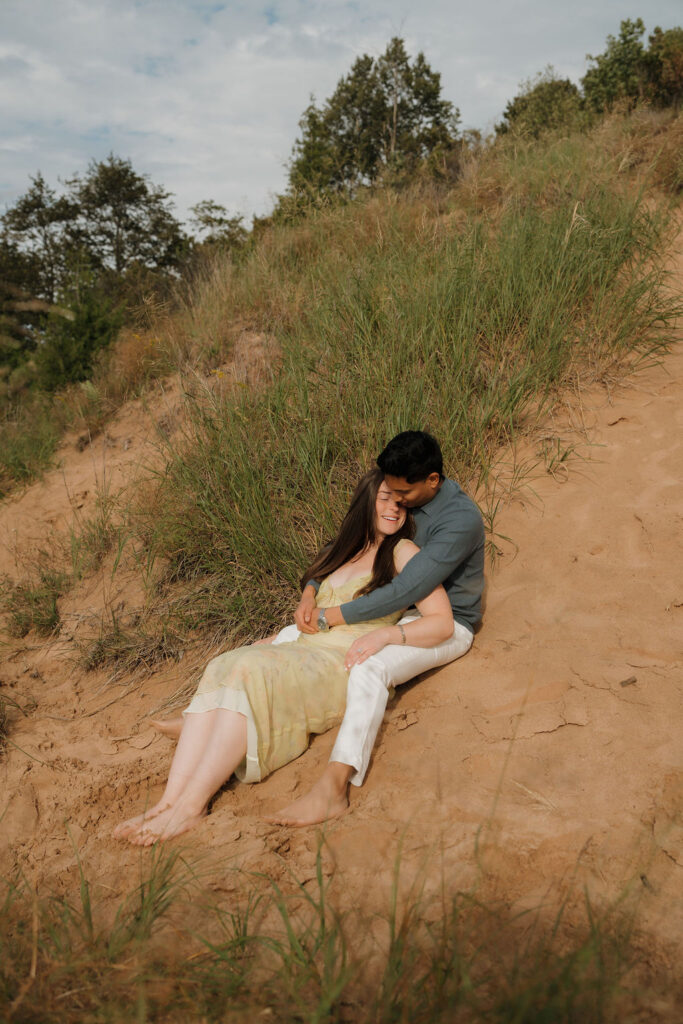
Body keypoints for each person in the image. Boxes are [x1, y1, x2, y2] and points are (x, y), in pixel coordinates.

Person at [113, 467, 455, 845]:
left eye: (401, 503)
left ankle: (191, 807)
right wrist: (309, 595)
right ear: (366, 502)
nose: (395, 509)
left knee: (248, 668)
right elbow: (315, 576)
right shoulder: (347, 550)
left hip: (337, 664)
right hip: (304, 651)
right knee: (222, 663)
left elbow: (442, 622)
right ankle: (168, 802)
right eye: (385, 500)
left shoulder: (403, 552)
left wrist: (390, 633)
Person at [268, 430, 485, 827]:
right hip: (399, 612)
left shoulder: (460, 521)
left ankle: (334, 787)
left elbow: (410, 587)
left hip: (444, 623)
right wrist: (311, 591)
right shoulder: (404, 493)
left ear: (432, 480)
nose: (395, 500)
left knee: (371, 666)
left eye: (402, 492)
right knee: (289, 635)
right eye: (389, 491)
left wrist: (338, 618)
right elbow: (349, 541)